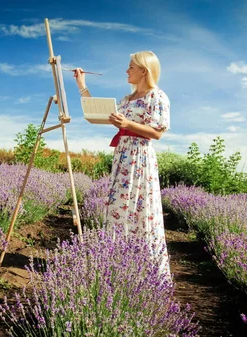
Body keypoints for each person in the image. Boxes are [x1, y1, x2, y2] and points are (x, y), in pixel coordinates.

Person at [73, 51, 172, 282]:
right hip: (123, 157)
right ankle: (118, 266)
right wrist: (82, 85)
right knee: (119, 209)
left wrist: (128, 123)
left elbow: (157, 133)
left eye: (131, 67)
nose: (127, 71)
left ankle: (146, 271)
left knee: (140, 209)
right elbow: (97, 112)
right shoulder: (127, 100)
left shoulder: (156, 97)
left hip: (140, 158)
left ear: (143, 71)